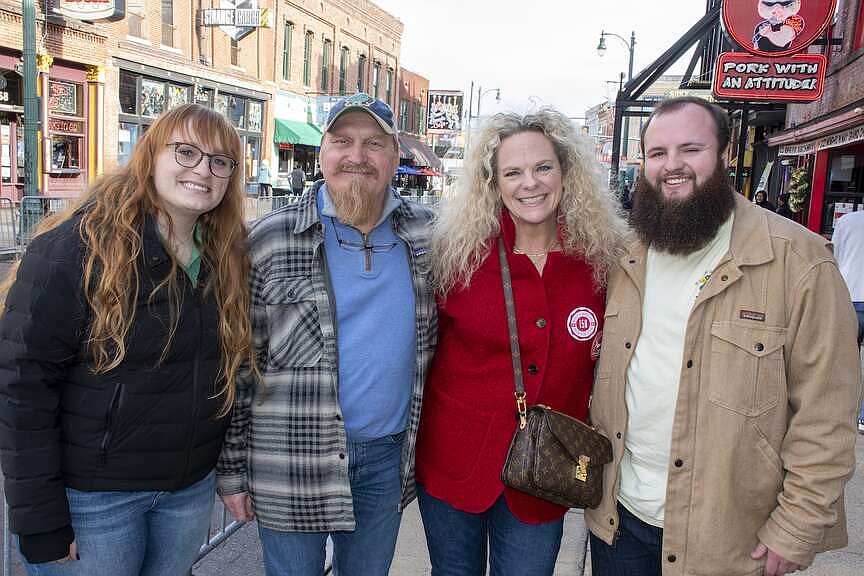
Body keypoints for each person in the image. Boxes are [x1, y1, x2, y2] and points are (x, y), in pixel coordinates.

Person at [586, 97, 860, 576]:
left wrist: (797, 525)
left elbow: (826, 412)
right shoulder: (624, 257)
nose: (672, 166)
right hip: (620, 521)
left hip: (731, 537)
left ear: (726, 153)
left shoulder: (797, 262)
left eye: (691, 149)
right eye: (657, 153)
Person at [0, 103, 254, 576]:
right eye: (186, 152)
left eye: (221, 161)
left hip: (186, 492)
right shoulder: (74, 249)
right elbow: (21, 388)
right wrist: (39, 519)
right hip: (95, 502)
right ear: (150, 156)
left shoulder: (226, 257)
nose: (204, 170)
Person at [216, 92, 436, 576]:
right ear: (322, 154)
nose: (357, 155)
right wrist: (232, 471)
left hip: (385, 459)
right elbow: (239, 363)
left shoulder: (428, 237)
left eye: (374, 143)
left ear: (395, 155)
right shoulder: (270, 239)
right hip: (290, 459)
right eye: (343, 141)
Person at [415, 108, 627, 575]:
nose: (529, 183)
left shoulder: (604, 260)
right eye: (512, 172)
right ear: (494, 183)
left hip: (543, 478)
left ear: (566, 172)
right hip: (454, 465)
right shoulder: (457, 256)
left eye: (543, 167)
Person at [830, 209, 864, 434]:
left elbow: (833, 256)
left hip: (850, 294)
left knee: (842, 361)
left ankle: (836, 415)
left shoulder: (847, 221)